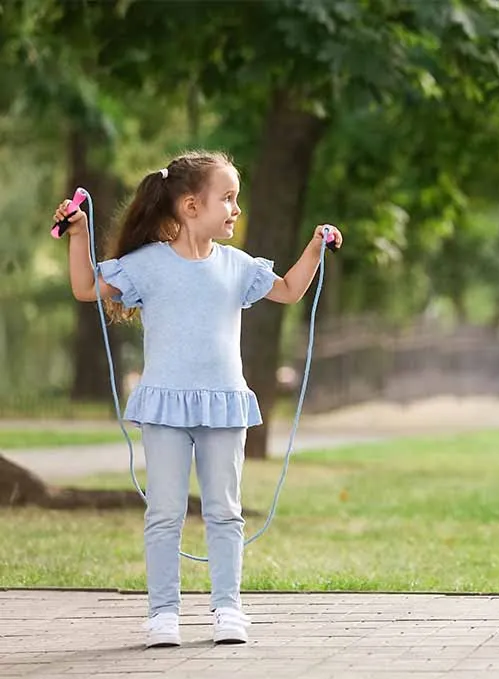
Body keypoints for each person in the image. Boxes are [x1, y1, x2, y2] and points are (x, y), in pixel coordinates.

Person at [55, 150, 340, 648]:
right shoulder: (146, 267)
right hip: (165, 406)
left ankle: (228, 608)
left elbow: (292, 290)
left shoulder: (238, 267)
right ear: (190, 206)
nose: (236, 209)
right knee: (164, 512)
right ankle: (163, 614)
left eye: (237, 199)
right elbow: (85, 288)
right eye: (227, 199)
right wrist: (78, 233)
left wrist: (316, 245)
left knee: (225, 511)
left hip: (223, 404)